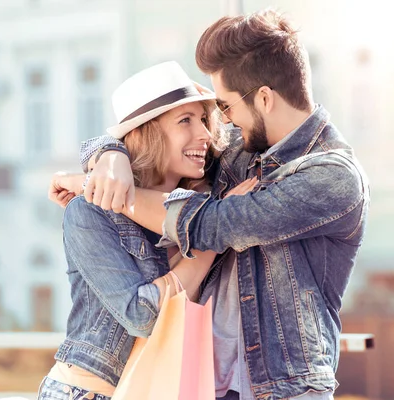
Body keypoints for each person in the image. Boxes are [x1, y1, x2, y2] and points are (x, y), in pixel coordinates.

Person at [51, 9, 370, 400]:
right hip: (204, 382)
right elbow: (152, 141)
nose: (223, 122)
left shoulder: (331, 177)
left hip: (284, 390)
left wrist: (96, 186)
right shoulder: (241, 153)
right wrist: (107, 156)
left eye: (225, 107)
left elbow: (212, 225)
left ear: (265, 99)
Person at [40, 61, 254, 400]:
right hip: (89, 393)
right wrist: (214, 234)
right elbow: (141, 315)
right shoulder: (89, 213)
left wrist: (105, 153)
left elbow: (248, 133)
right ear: (147, 133)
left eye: (202, 119)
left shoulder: (202, 200)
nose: (204, 134)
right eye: (185, 121)